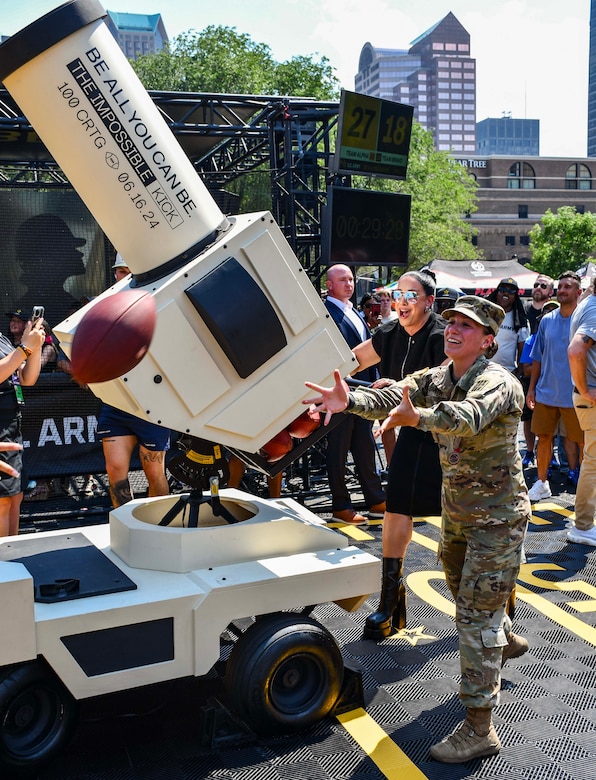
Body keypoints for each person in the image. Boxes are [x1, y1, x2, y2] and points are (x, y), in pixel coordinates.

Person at [305, 295, 530, 764]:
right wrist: (351, 399)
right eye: (450, 322)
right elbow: (394, 394)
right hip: (459, 515)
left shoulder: (497, 382)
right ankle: (503, 637)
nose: (453, 330)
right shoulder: (440, 376)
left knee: (472, 617)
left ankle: (479, 728)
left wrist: (419, 418)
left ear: (487, 340)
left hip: (499, 520)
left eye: (466, 326)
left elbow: (464, 418)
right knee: (466, 598)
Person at [351, 269, 446, 637]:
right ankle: (390, 603)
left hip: (450, 436)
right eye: (398, 293)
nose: (402, 301)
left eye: (411, 294)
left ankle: (500, 594)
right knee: (396, 509)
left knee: (467, 520)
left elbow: (440, 382)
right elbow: (351, 361)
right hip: (412, 434)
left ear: (428, 301)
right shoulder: (388, 333)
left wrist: (399, 386)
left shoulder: (442, 335)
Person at [97, 253, 171, 508]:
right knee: (115, 469)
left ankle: (159, 529)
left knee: (154, 472)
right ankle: (125, 526)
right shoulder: (103, 306)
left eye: (129, 270)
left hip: (152, 405)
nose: (123, 276)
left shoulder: (158, 302)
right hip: (116, 403)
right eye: (119, 271)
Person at [323, 264, 385, 525]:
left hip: (363, 391)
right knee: (337, 450)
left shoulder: (356, 312)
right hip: (341, 390)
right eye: (342, 280)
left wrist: (375, 380)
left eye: (350, 279)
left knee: (364, 446)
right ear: (329, 285)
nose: (349, 284)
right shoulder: (325, 313)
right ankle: (341, 505)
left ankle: (375, 499)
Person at [526, 271, 584, 502]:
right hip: (546, 393)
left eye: (568, 287)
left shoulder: (585, 320)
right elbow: (537, 358)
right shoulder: (546, 321)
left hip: (576, 394)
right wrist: (531, 389)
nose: (562, 290)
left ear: (578, 292)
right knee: (543, 438)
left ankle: (586, 490)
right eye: (560, 286)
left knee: (582, 443)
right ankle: (541, 484)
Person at [0, 315, 45, 535]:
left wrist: (34, 347)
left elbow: (26, 378)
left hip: (11, 426)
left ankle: (11, 561)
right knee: (3, 502)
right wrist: (26, 347)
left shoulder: (2, 339)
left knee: (14, 497)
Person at [14, 214, 87, 327]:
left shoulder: (62, 301)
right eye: (70, 248)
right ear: (47, 256)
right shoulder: (30, 310)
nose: (80, 254)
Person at [567, 283, 596, 545]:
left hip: (587, 394)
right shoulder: (594, 307)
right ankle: (583, 525)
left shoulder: (588, 301)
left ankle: (585, 522)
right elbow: (576, 350)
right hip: (592, 398)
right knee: (593, 460)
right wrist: (587, 390)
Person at [518, 300, 560, 468]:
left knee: (553, 423)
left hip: (554, 387)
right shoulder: (531, 340)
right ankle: (529, 452)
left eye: (554, 312)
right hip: (532, 386)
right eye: (547, 312)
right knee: (528, 420)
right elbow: (526, 369)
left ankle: (551, 455)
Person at [487, 277, 529, 373]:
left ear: (515, 297)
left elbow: (523, 349)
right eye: (503, 290)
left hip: (507, 372)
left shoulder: (520, 320)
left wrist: (519, 373)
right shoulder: (485, 315)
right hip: (483, 368)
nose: (506, 293)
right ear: (497, 293)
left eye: (511, 291)